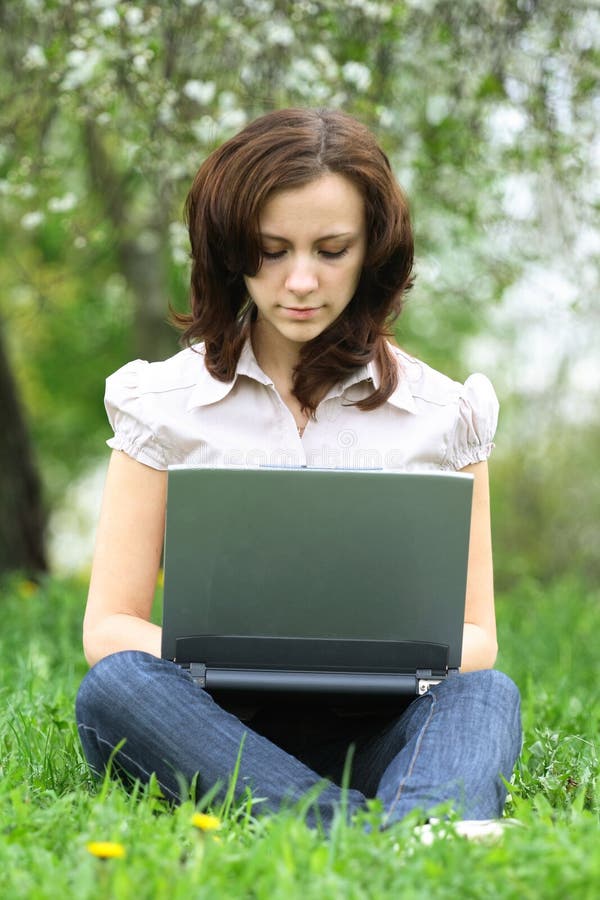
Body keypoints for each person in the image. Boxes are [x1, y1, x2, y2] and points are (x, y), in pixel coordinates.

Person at [76, 108, 521, 830]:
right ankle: (395, 834)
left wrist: (360, 660)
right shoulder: (159, 403)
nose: (302, 281)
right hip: (210, 733)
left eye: (332, 249)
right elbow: (110, 625)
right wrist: (236, 657)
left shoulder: (446, 415)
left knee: (487, 695)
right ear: (231, 250)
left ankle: (350, 826)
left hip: (380, 732)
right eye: (272, 250)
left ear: (374, 250)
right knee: (116, 687)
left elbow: (476, 637)